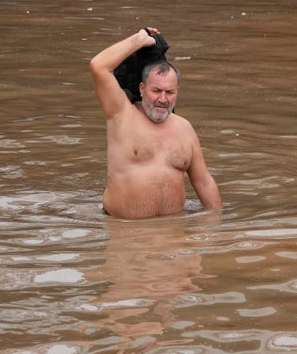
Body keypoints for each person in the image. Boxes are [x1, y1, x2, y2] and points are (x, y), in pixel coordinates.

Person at [89, 26, 222, 219]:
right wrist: (140, 39)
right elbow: (98, 66)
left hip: (174, 234)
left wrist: (215, 225)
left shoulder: (184, 128)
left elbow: (203, 181)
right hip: (126, 235)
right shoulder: (121, 114)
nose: (163, 99)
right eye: (156, 91)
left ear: (178, 92)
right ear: (142, 89)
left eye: (169, 92)